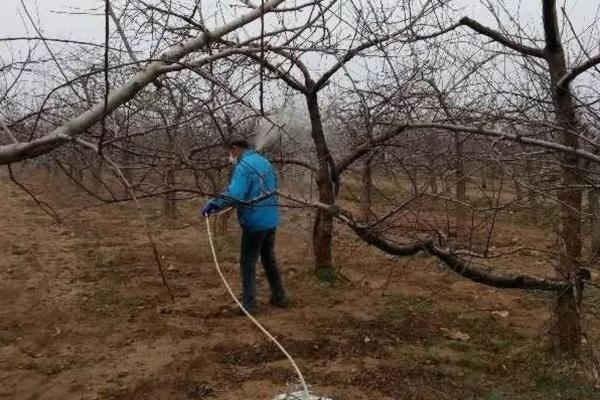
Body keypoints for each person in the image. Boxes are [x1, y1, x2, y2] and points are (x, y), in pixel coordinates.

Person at [201, 139, 289, 315]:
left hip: (255, 222)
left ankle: (249, 305)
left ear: (234, 149)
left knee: (247, 263)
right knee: (268, 257)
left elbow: (235, 195)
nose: (229, 157)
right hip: (270, 220)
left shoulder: (243, 166)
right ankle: (279, 297)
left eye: (229, 153)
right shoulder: (264, 161)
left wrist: (213, 205)